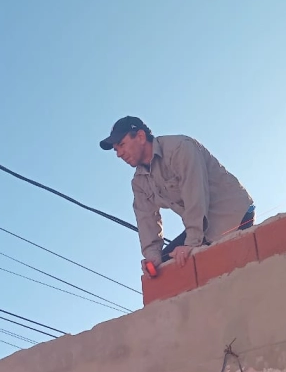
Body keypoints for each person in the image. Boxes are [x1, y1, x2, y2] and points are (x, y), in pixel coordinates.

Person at [100, 116, 255, 272]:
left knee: (211, 268)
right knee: (163, 269)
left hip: (234, 216)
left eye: (121, 145)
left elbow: (195, 195)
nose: (119, 153)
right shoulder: (139, 182)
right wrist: (153, 257)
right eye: (116, 149)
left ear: (140, 136)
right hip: (204, 228)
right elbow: (146, 219)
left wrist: (191, 244)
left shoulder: (179, 149)